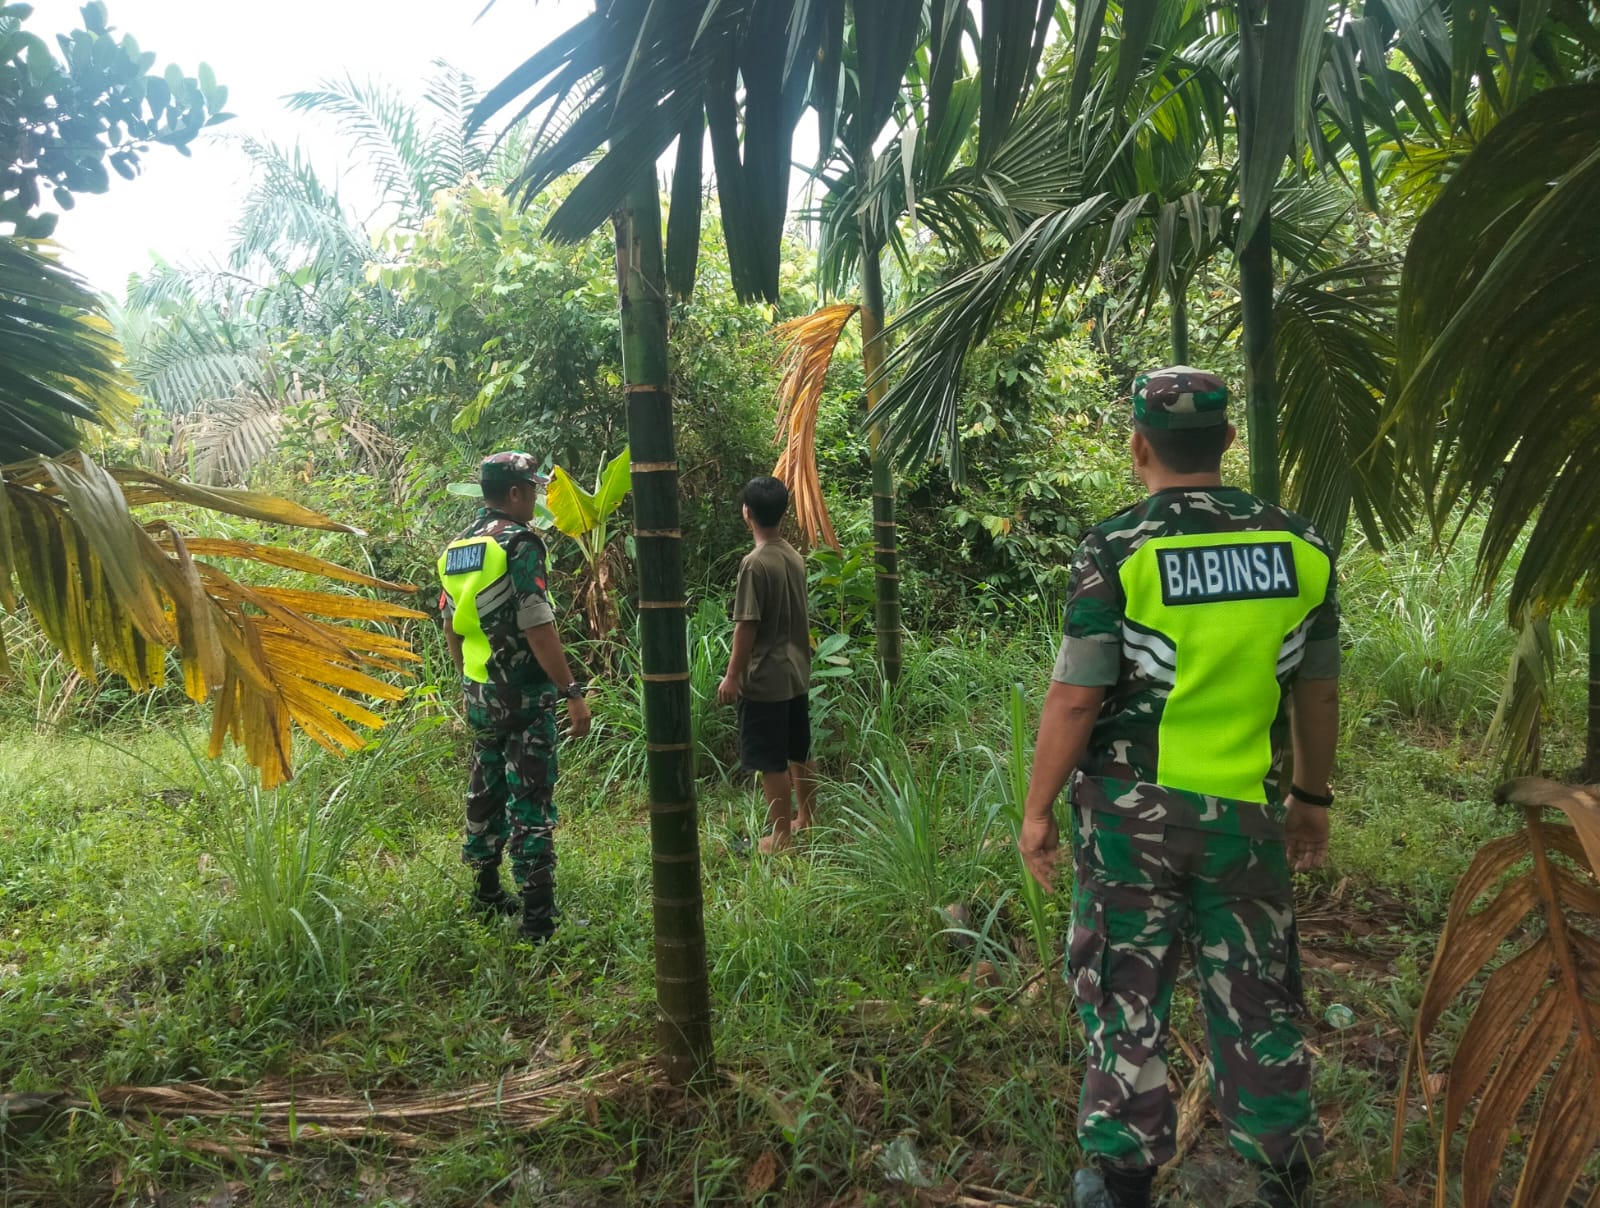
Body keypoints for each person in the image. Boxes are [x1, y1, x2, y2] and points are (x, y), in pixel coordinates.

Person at [1017, 368, 1340, 1208]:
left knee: (1126, 990)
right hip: (1247, 821)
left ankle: (1120, 1178)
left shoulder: (1120, 548)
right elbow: (1316, 688)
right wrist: (1312, 797)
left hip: (1131, 826)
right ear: (1227, 442)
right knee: (1256, 994)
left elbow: (1079, 694)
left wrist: (1037, 810)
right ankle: (1281, 1174)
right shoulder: (1299, 546)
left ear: (1138, 445)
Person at [438, 451, 592, 942]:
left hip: (481, 692)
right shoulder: (519, 543)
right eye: (532, 489)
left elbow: (450, 625)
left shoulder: (457, 548)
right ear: (513, 493)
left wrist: (468, 681)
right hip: (524, 695)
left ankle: (485, 893)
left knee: (486, 790)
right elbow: (538, 624)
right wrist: (571, 689)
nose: (537, 497)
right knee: (530, 801)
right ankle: (537, 920)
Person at [716, 476, 816, 853]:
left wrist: (732, 675)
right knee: (799, 749)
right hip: (796, 673)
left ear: (747, 514)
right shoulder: (792, 555)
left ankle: (781, 837)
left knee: (771, 760)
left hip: (766, 678)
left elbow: (747, 625)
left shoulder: (754, 564)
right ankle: (806, 817)